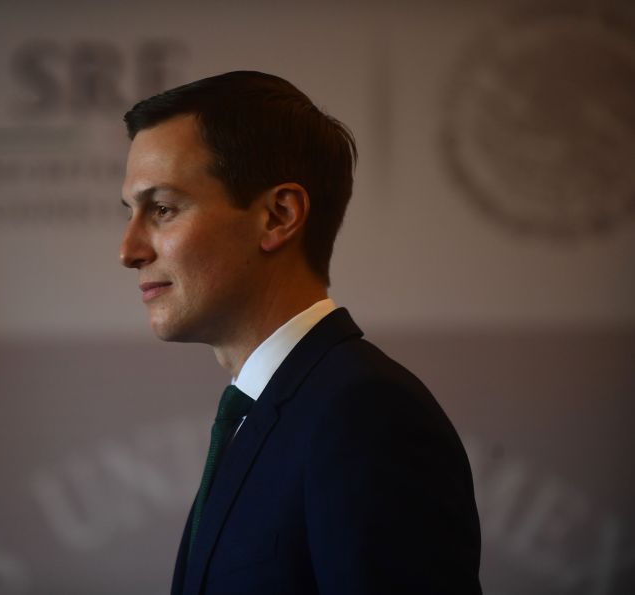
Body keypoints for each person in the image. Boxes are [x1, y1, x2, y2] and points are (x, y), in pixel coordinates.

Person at [119, 71, 482, 595]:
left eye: (162, 209)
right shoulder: (271, 412)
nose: (128, 251)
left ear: (278, 216)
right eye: (130, 213)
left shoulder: (366, 415)